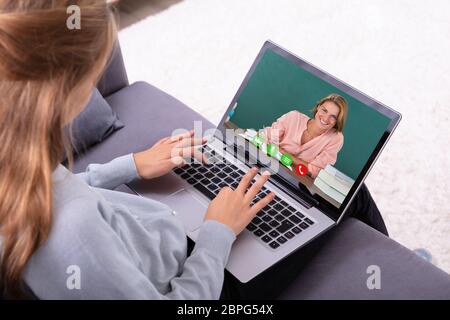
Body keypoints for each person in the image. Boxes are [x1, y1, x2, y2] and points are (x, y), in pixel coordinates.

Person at [0, 0, 387, 300]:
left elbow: (57, 192)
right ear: (71, 88)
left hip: (156, 240)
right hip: (205, 280)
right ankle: (397, 263)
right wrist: (217, 232)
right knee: (348, 199)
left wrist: (130, 165)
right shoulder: (75, 235)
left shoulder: (18, 169)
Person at [263, 94, 348, 177]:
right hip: (267, 165)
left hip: (295, 181)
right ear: (318, 107)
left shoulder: (335, 138)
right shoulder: (294, 117)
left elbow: (315, 171)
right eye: (324, 110)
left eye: (333, 117)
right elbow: (266, 137)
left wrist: (281, 152)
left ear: (337, 121)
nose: (326, 118)